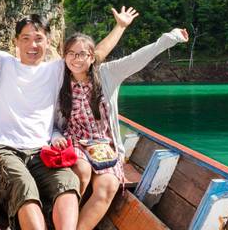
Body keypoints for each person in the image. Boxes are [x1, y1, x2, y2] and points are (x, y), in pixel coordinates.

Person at [0, 7, 139, 230]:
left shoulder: (57, 69)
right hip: (4, 147)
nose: (33, 45)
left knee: (69, 183)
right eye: (26, 39)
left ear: (48, 41)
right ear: (16, 41)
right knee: (24, 187)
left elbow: (94, 55)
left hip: (43, 151)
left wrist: (119, 27)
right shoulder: (3, 63)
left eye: (38, 39)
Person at [51, 27, 189, 230]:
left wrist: (170, 38)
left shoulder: (107, 74)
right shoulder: (58, 80)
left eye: (82, 54)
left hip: (104, 146)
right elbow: (51, 122)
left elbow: (138, 58)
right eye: (70, 53)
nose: (76, 58)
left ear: (92, 57)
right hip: (74, 140)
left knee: (108, 186)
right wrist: (55, 135)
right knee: (81, 171)